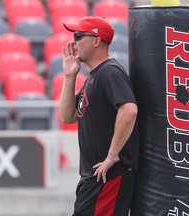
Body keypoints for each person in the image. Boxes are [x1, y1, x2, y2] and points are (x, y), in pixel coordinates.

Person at [59, 16, 139, 216]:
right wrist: (69, 77)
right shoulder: (94, 76)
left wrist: (112, 156)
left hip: (108, 175)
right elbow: (67, 116)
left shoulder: (109, 72)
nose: (72, 42)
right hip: (95, 177)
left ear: (96, 41)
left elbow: (129, 109)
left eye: (78, 36)